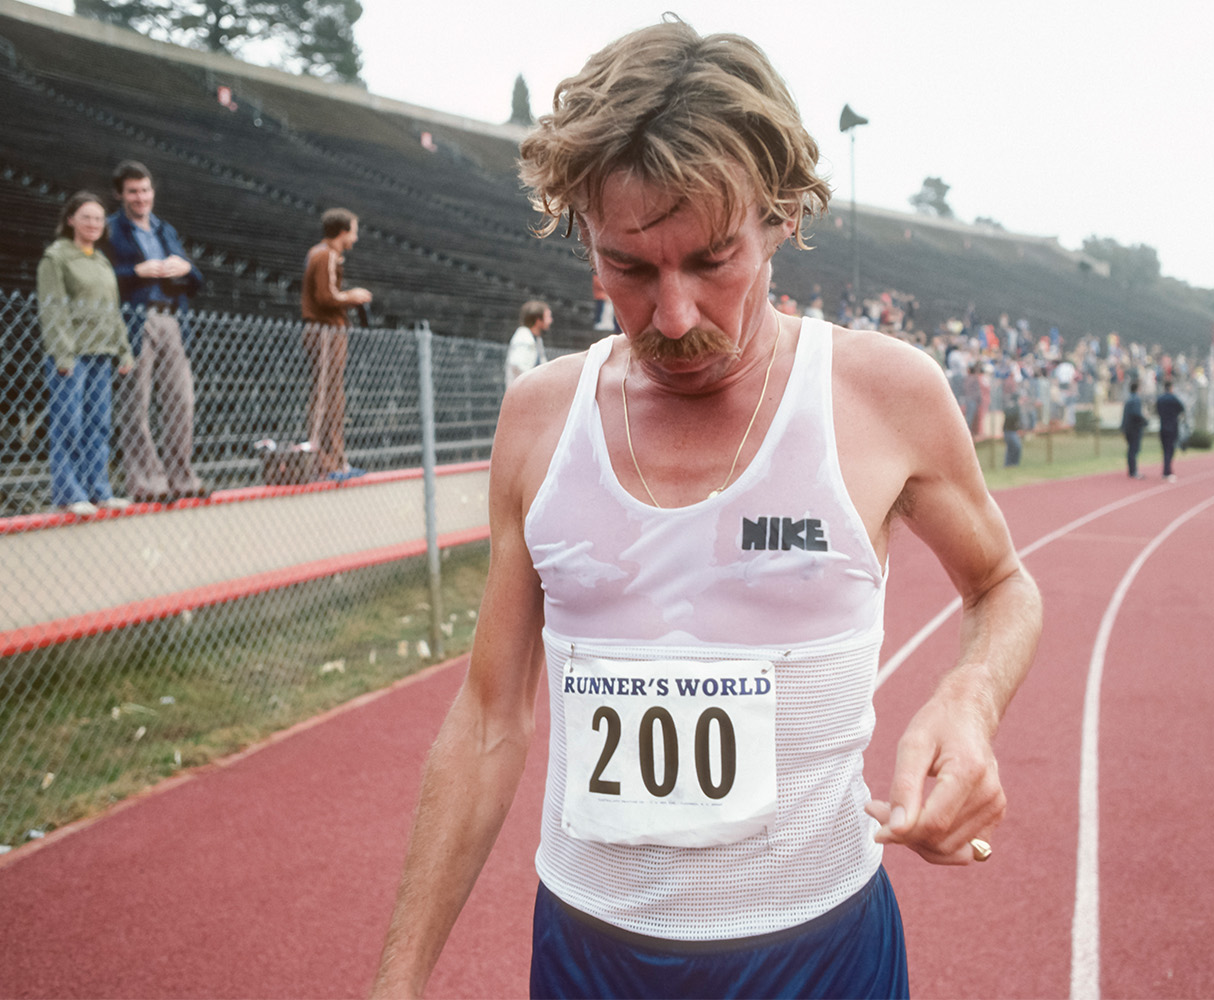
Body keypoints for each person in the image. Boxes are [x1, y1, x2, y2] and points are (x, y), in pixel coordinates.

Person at [371, 19, 1042, 1000]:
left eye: (713, 259)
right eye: (630, 269)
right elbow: (487, 717)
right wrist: (395, 983)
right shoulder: (540, 420)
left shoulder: (881, 396)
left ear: (780, 219)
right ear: (587, 239)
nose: (674, 316)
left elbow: (1002, 586)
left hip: (819, 958)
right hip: (586, 958)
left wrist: (970, 698)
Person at [104, 160, 207, 503]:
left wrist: (188, 268)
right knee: (136, 403)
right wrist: (136, 271)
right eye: (133, 191)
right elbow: (103, 276)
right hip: (134, 318)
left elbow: (197, 281)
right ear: (120, 194)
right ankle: (147, 480)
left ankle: (182, 476)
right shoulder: (112, 229)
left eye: (145, 190)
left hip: (172, 318)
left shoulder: (165, 230)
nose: (140, 197)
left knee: (182, 399)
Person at [37, 191, 136, 515]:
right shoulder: (57, 257)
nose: (93, 224)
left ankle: (99, 489)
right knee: (70, 423)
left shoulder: (101, 259)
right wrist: (63, 354)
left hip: (102, 352)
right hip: (74, 354)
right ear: (71, 220)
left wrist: (123, 350)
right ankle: (69, 492)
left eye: (98, 218)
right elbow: (53, 309)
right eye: (86, 217)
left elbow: (112, 309)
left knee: (99, 424)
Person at [301, 207, 372, 481]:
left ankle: (335, 461)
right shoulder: (326, 255)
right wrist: (352, 296)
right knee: (325, 396)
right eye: (353, 231)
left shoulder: (322, 254)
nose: (355, 238)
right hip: (326, 331)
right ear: (343, 231)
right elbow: (326, 296)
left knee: (332, 396)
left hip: (330, 331)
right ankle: (323, 462)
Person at [505, 299, 551, 385]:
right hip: (522, 393)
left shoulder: (537, 339)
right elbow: (517, 365)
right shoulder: (523, 337)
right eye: (548, 317)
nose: (550, 321)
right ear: (538, 320)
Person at [1154, 378, 1185, 481]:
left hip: (1163, 426)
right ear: (1171, 388)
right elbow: (1182, 409)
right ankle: (1167, 471)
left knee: (1165, 449)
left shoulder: (1160, 399)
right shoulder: (1173, 398)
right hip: (1172, 426)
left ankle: (1166, 470)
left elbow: (1156, 410)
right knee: (1170, 450)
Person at [1122, 380, 1147, 479]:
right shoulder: (1136, 400)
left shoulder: (1128, 399)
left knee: (1131, 449)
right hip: (1134, 428)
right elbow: (1136, 414)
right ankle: (1133, 471)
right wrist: (1145, 421)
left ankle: (1132, 470)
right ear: (1138, 388)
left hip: (1128, 428)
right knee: (1134, 449)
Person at [1003, 392, 1023, 466]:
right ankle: (1012, 464)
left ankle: (1010, 465)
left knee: (1011, 449)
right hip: (1010, 431)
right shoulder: (1015, 407)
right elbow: (1009, 415)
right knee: (1016, 447)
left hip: (1010, 431)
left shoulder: (1012, 406)